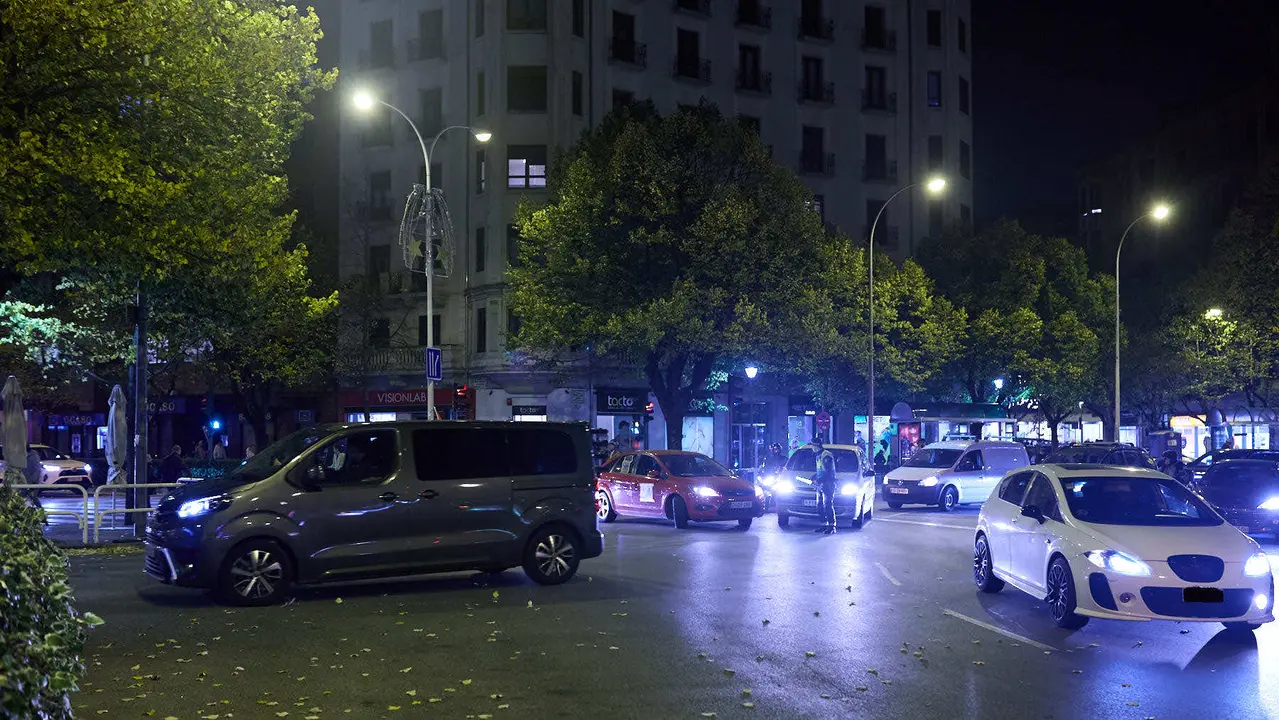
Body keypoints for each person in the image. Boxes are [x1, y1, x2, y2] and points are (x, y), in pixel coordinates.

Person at [813, 452, 838, 535]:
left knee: (827, 505)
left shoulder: (826, 455)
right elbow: (820, 471)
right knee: (819, 506)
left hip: (828, 484)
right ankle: (824, 525)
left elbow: (828, 472)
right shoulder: (818, 456)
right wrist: (815, 478)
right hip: (821, 485)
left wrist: (819, 480)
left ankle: (832, 526)